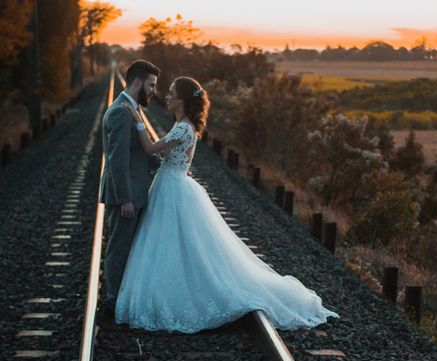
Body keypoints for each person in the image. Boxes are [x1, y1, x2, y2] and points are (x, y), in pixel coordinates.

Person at [115, 76, 340, 332]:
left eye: (171, 93)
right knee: (177, 243)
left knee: (172, 242)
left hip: (171, 187)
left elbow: (149, 149)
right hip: (172, 184)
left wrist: (137, 119)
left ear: (182, 100)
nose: (166, 97)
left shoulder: (182, 128)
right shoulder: (185, 125)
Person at [99, 59, 161, 319]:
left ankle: (121, 296)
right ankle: (113, 299)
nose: (154, 91)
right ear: (137, 82)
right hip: (126, 196)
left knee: (127, 245)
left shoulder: (132, 109)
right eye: (151, 85)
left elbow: (142, 153)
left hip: (135, 192)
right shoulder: (120, 112)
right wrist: (125, 198)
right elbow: (117, 159)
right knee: (120, 246)